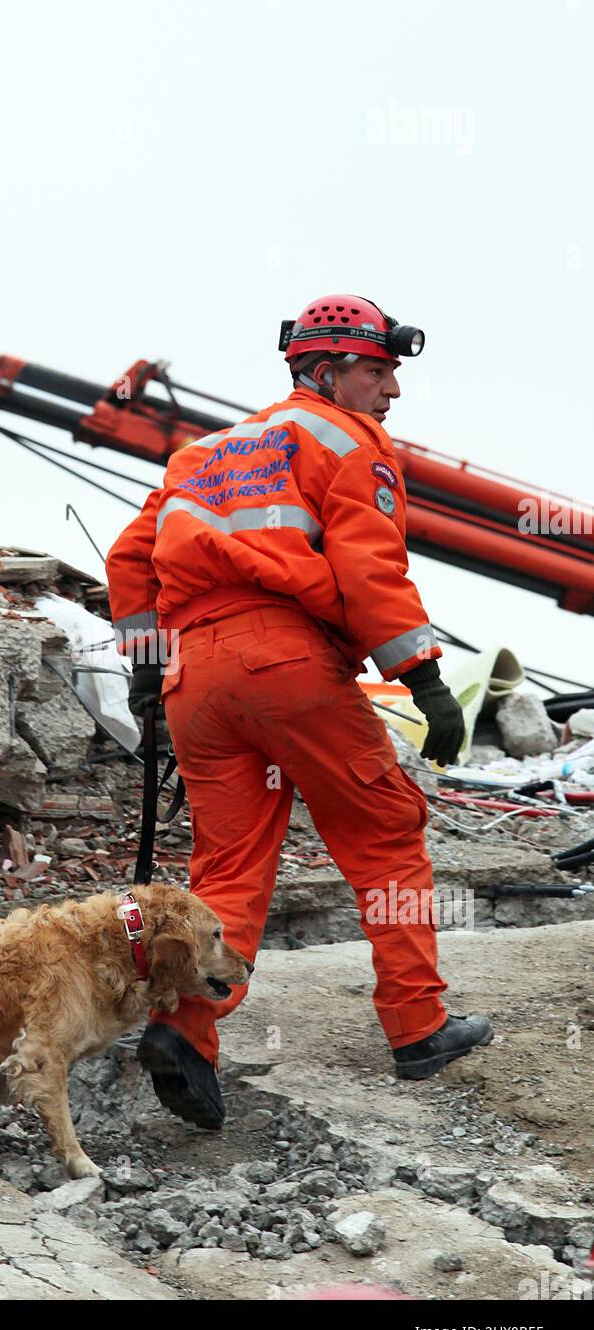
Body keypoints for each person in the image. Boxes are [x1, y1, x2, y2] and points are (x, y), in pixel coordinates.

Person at [105, 294, 492, 1130]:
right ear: (326, 372)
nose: (391, 393)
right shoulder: (347, 441)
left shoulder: (203, 452)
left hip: (196, 680)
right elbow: (368, 568)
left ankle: (185, 1031)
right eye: (377, 371)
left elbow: (129, 559)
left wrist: (145, 682)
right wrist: (423, 679)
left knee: (228, 866)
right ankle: (418, 1029)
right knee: (385, 828)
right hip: (286, 660)